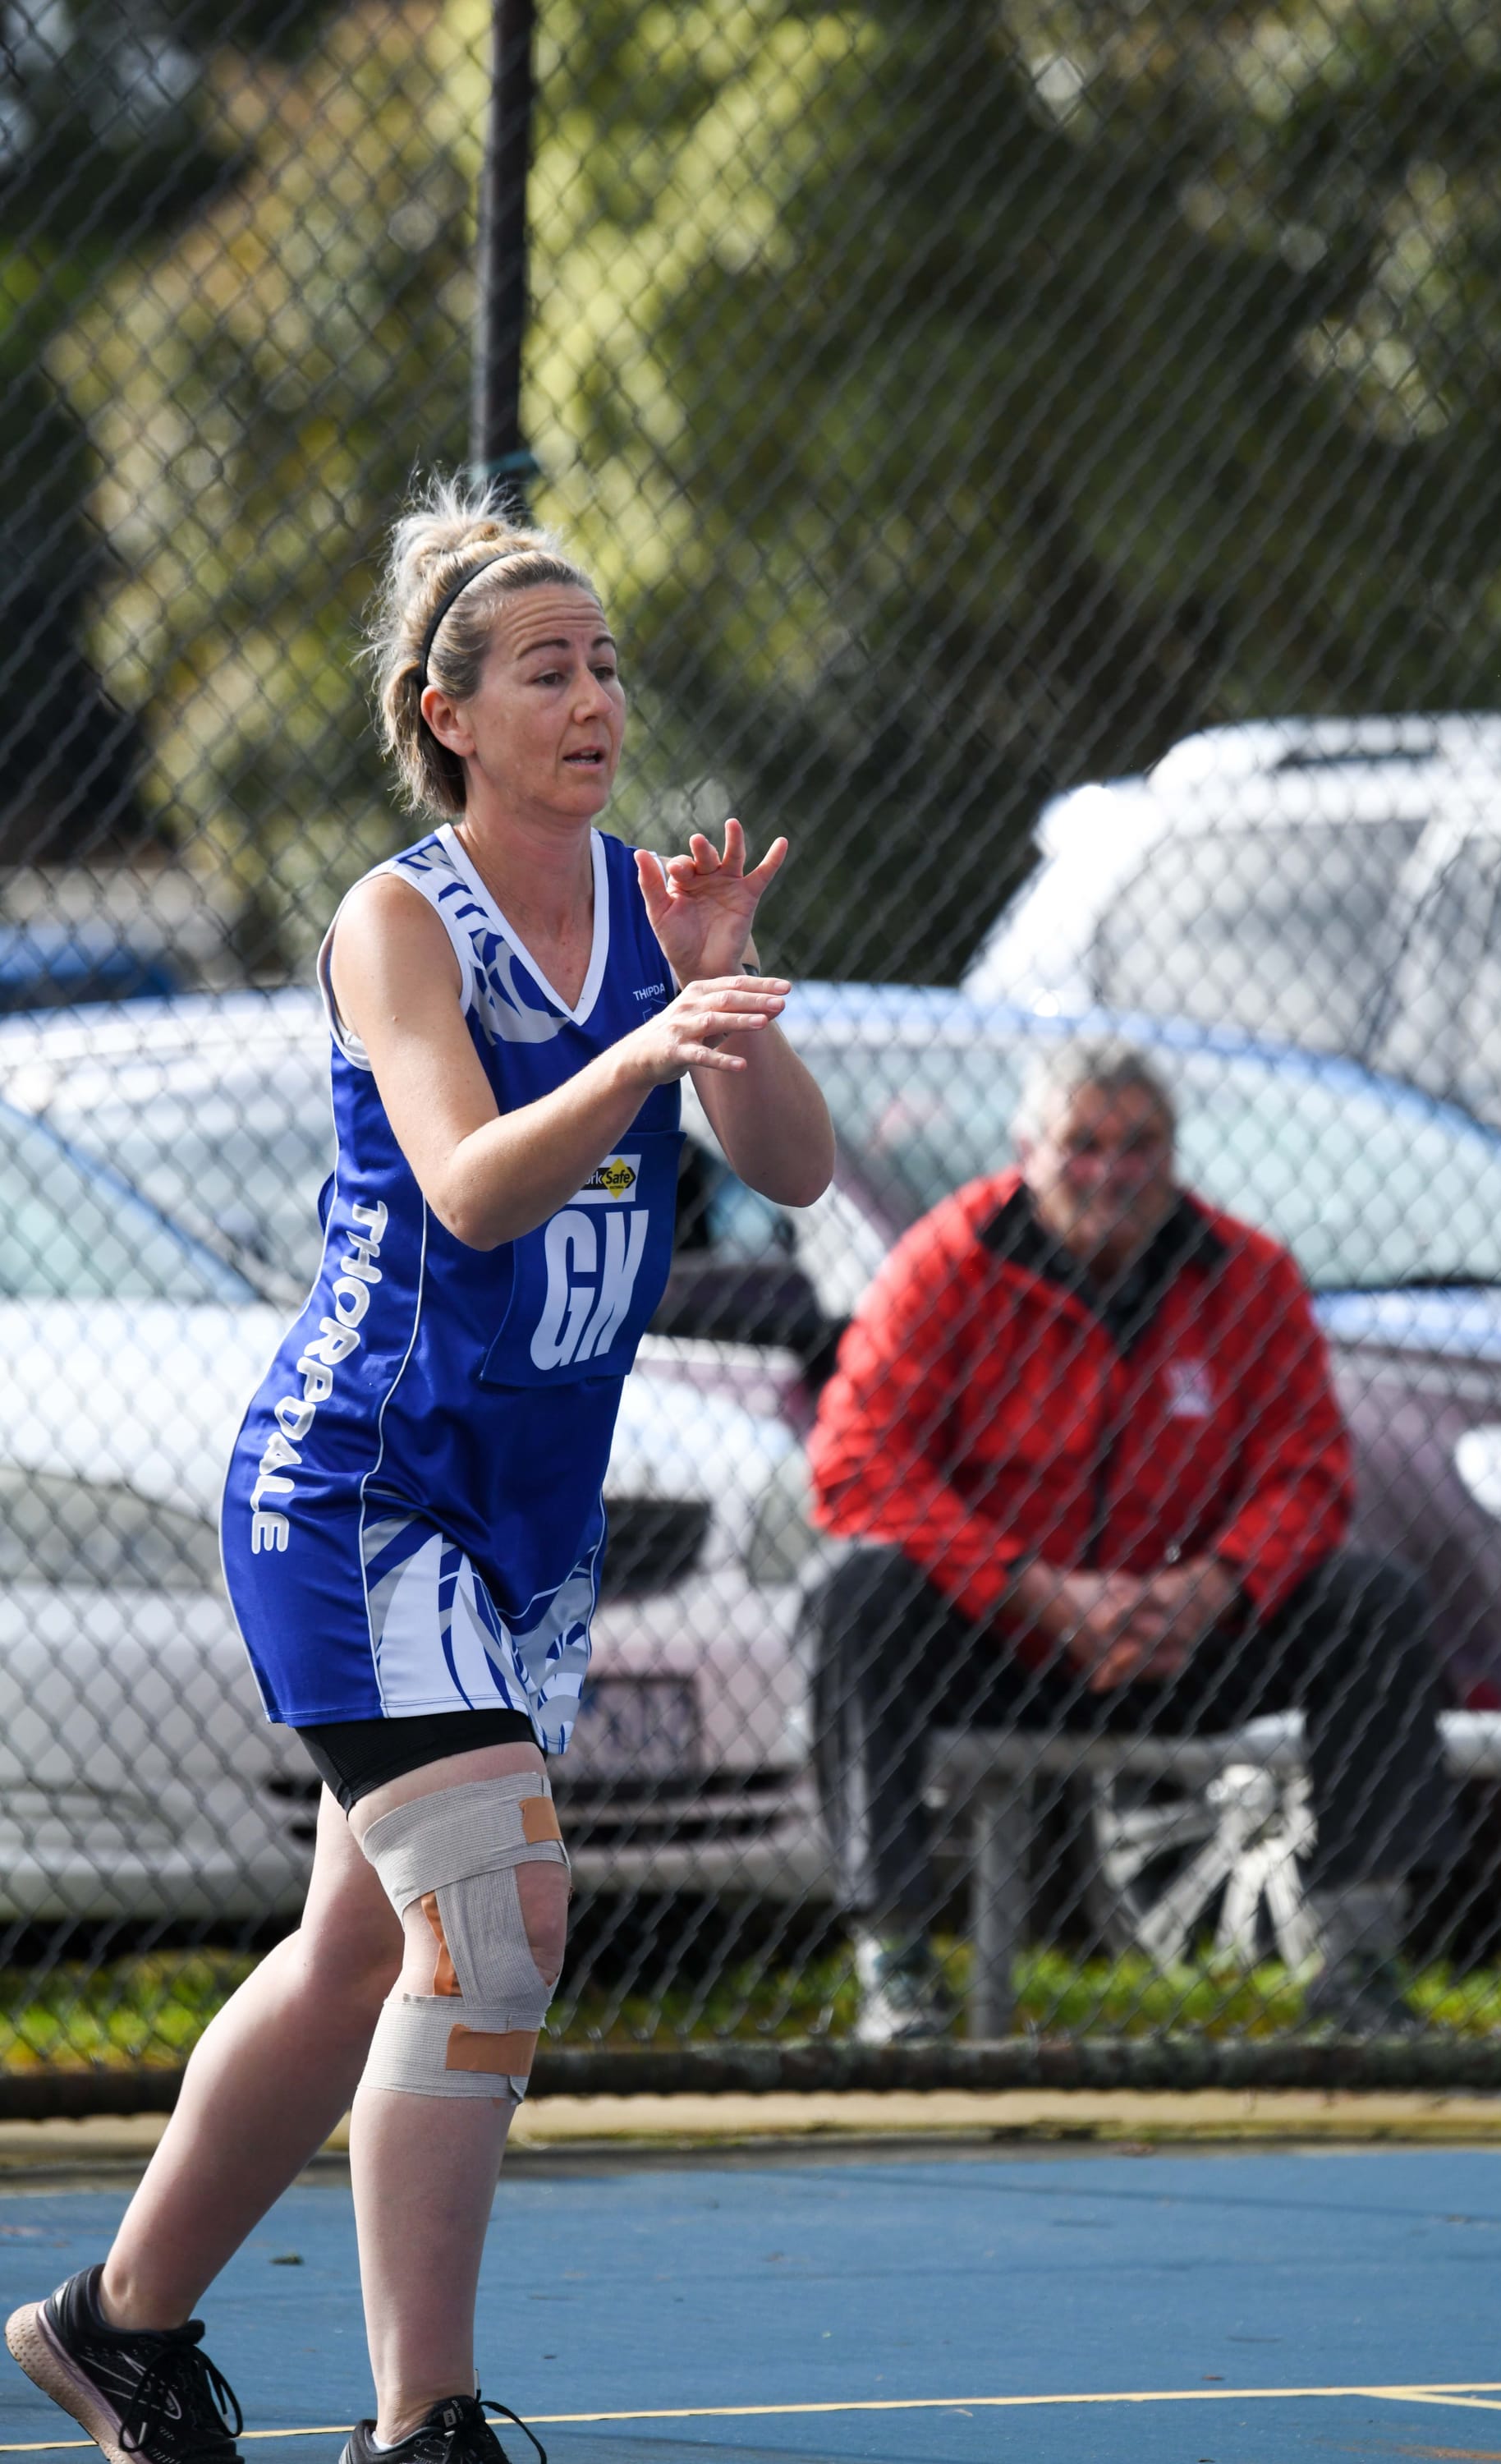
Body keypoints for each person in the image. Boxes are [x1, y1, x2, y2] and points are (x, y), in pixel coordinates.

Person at [5, 481, 833, 2464]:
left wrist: (712, 985)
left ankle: (113, 2323)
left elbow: (794, 1169)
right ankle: (421, 2419)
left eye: (608, 664)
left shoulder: (645, 906)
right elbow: (466, 1188)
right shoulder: (398, 916)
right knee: (497, 1924)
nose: (592, 697)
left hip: (518, 1516)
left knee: (362, 1946)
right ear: (447, 708)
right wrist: (633, 1062)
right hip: (360, 1483)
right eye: (547, 667)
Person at [806, 1037, 1455, 2042]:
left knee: (1373, 1601)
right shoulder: (945, 1261)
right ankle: (893, 1959)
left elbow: (1308, 1475)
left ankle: (1356, 1961)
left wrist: (1210, 1589)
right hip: (1002, 1644)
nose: (1111, 1170)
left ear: (1172, 1152)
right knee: (856, 1595)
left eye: (1137, 1144)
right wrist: (1031, 1588)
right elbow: (855, 1462)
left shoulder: (1248, 1276)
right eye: (1083, 1145)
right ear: (1029, 1149)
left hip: (1181, 1641)